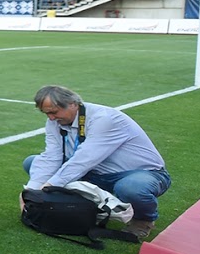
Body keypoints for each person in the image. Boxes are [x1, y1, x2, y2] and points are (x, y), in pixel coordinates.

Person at [25, 85, 169, 241]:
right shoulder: (54, 122)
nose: (51, 118)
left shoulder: (104, 119)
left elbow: (84, 160)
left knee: (131, 188)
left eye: (54, 112)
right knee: (32, 162)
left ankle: (143, 220)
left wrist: (48, 186)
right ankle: (84, 208)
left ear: (73, 104)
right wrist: (31, 193)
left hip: (139, 173)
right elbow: (50, 158)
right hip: (95, 173)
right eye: (46, 113)